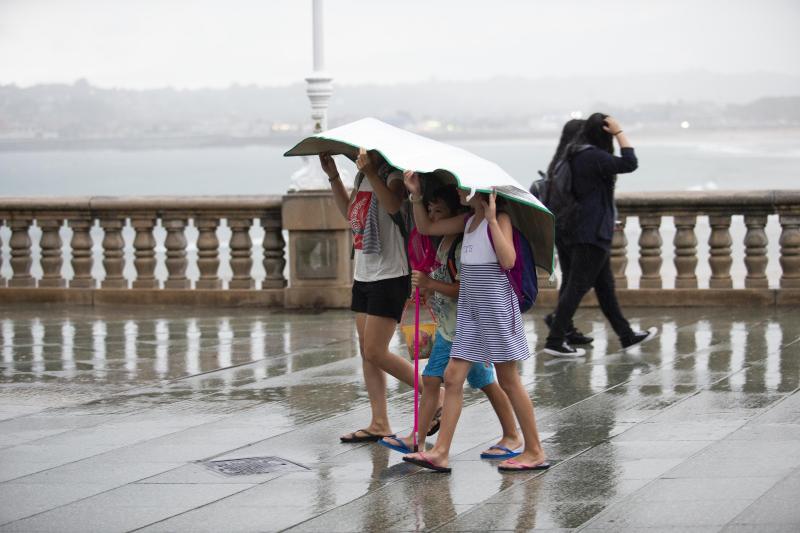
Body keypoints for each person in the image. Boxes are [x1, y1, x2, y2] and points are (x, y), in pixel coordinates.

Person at [400, 172, 549, 473]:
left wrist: (493, 219)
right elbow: (427, 226)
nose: (458, 190)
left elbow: (507, 261)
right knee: (453, 377)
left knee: (508, 380)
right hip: (470, 309)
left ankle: (534, 450)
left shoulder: (500, 219)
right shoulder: (468, 222)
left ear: (481, 190)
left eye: (464, 186)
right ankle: (440, 452)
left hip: (495, 309)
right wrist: (415, 194)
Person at [379, 184, 523, 460]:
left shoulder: (464, 240)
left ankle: (512, 437)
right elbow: (423, 226)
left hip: (465, 325)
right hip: (452, 324)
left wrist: (431, 283)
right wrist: (416, 195)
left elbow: (467, 285)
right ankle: (424, 441)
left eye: (439, 211)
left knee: (472, 381)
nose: (433, 217)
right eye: (431, 211)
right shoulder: (451, 236)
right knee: (458, 381)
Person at [320, 149, 440, 443]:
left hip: (391, 273)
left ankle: (436, 395)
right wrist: (334, 175)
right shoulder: (362, 177)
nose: (359, 153)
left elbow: (392, 205)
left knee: (376, 350)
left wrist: (374, 173)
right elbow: (352, 214)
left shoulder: (393, 176)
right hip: (364, 271)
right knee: (367, 352)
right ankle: (379, 422)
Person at [543, 113, 658, 357]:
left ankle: (626, 335)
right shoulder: (593, 156)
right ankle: (555, 340)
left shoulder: (573, 155)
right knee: (576, 287)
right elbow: (630, 162)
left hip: (579, 229)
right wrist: (619, 132)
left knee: (605, 287)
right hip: (591, 232)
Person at [540, 119, 593, 347]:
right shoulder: (573, 162)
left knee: (572, 279)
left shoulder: (557, 162)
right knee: (579, 280)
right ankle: (559, 323)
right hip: (575, 230)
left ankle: (564, 324)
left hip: (560, 228)